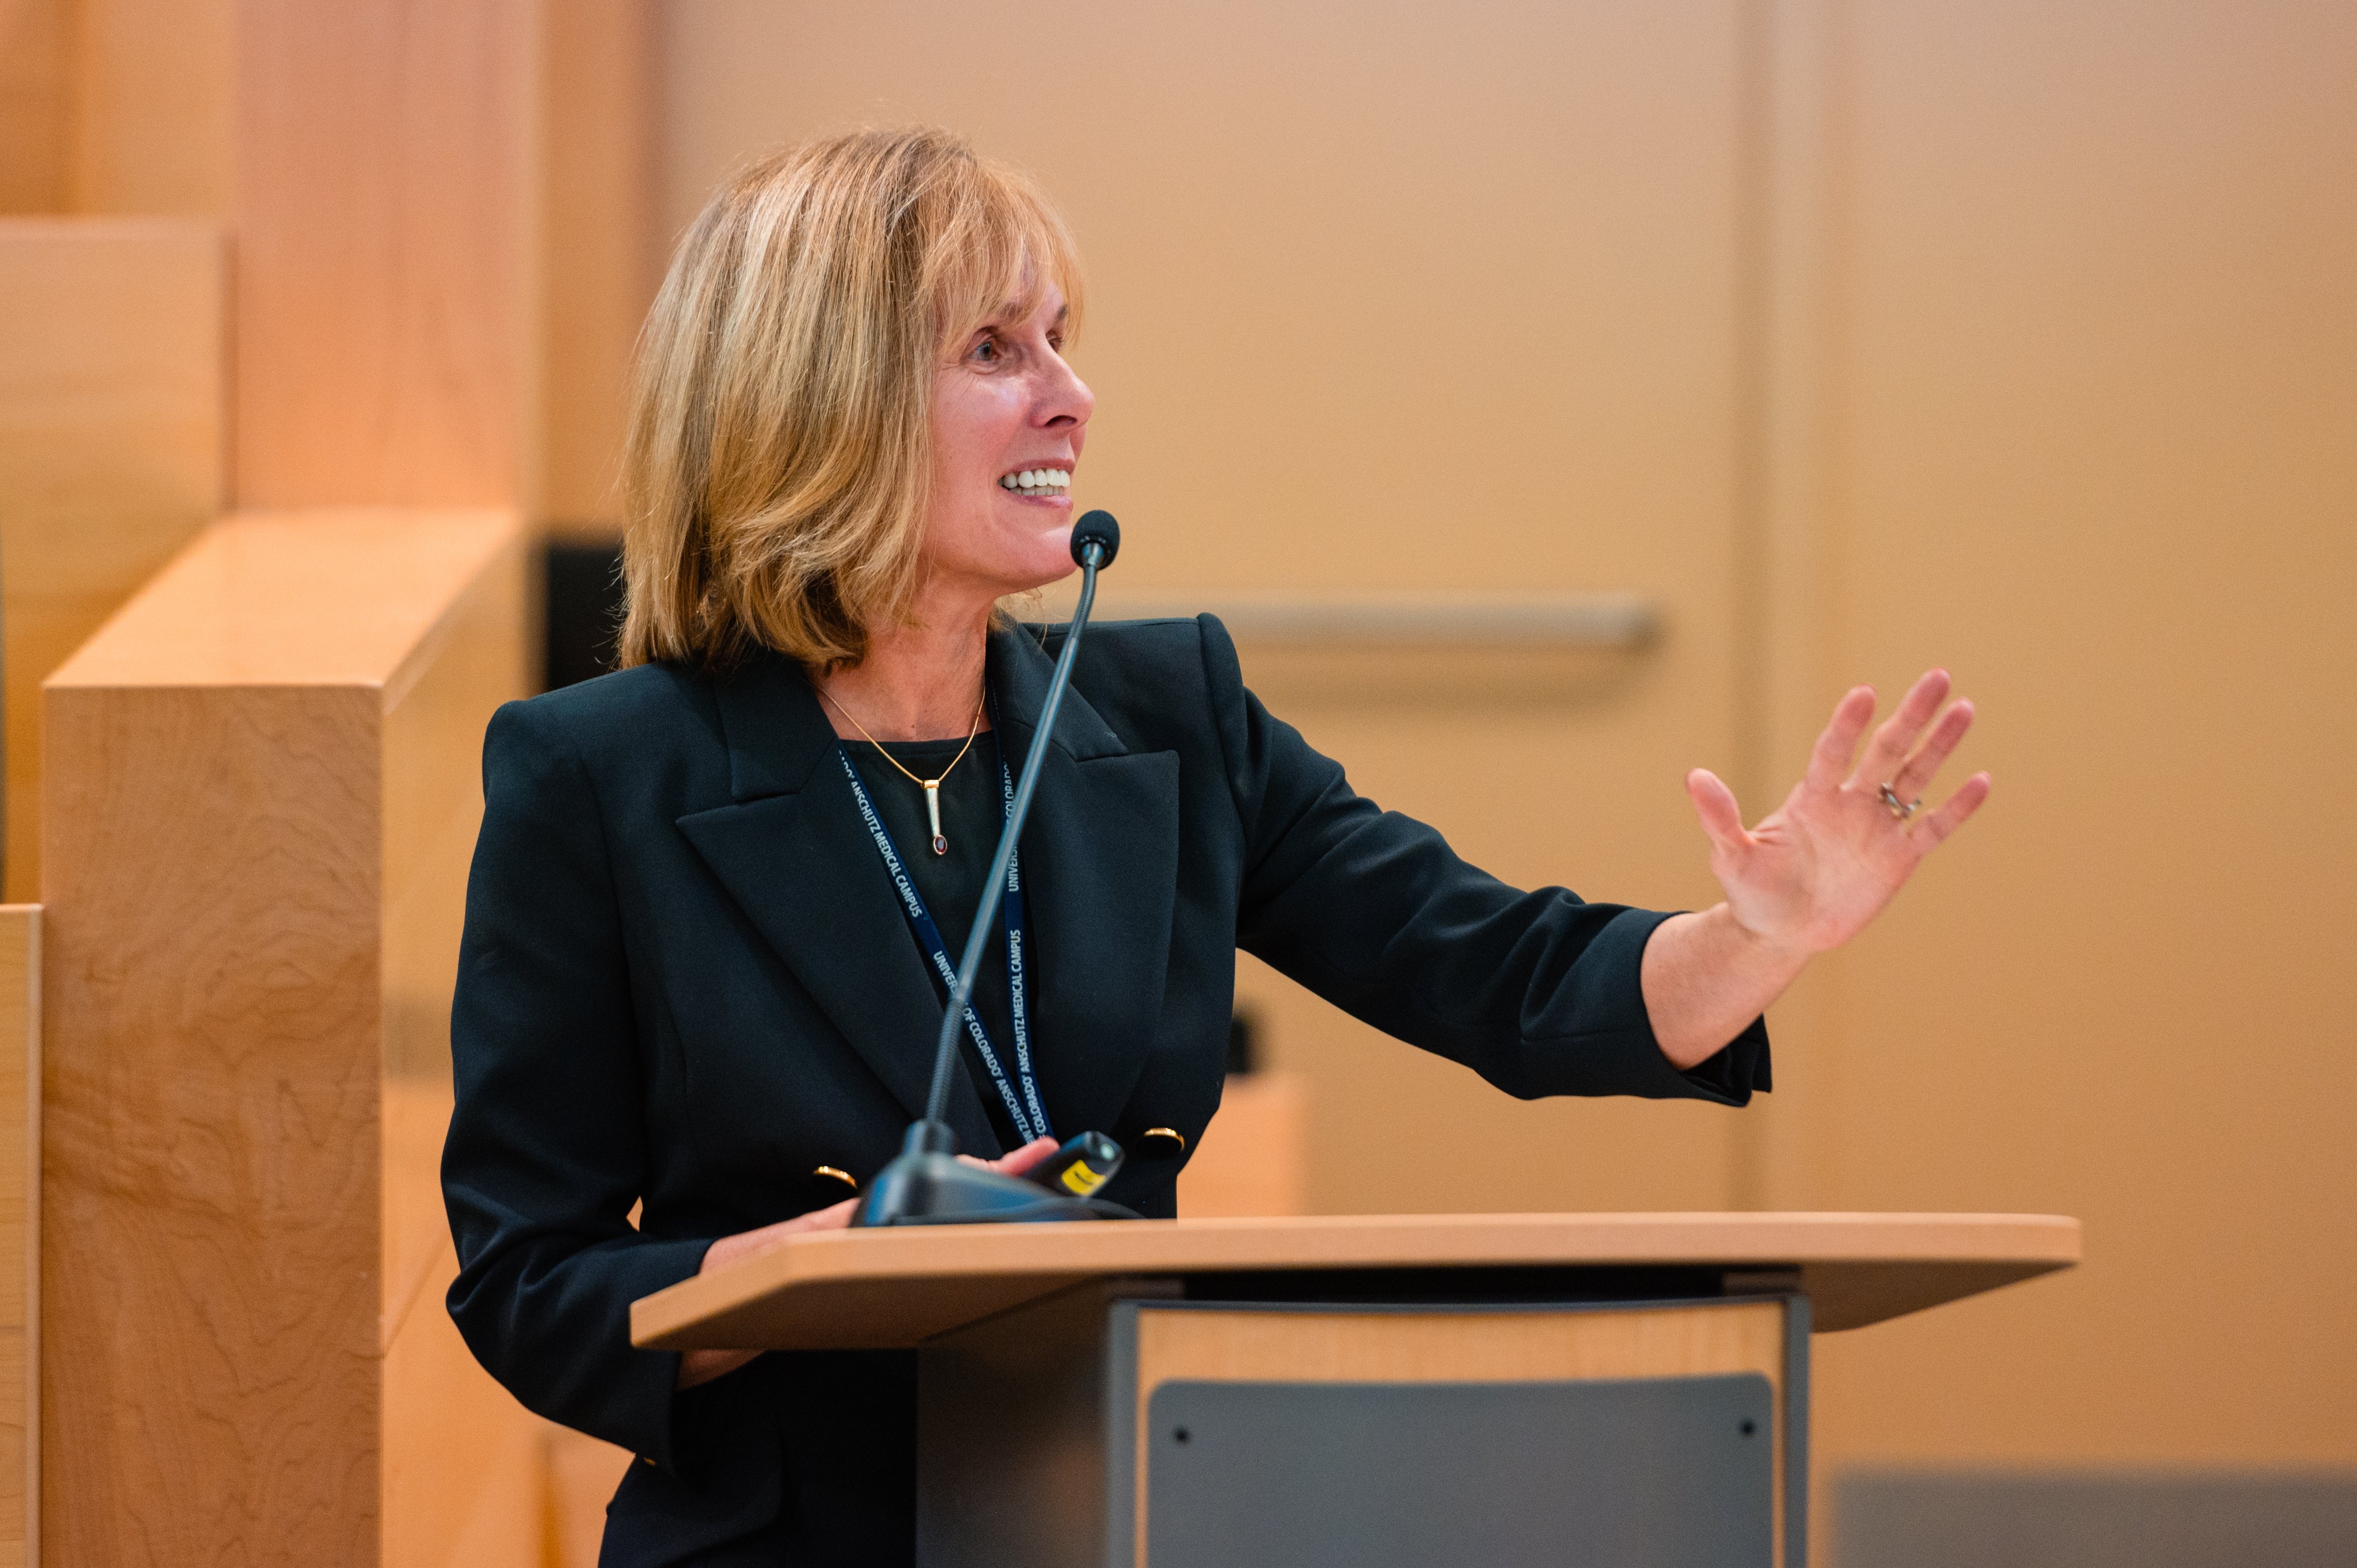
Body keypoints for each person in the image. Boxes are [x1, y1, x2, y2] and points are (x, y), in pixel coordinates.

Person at [441, 127, 1988, 1567]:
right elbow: (529, 1283)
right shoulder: (599, 776)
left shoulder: (1170, 713)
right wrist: (806, 1267)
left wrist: (1764, 933)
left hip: (1129, 1504)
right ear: (816, 397)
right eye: (993, 348)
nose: (1067, 394)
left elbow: (1501, 976)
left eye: (1059, 338)